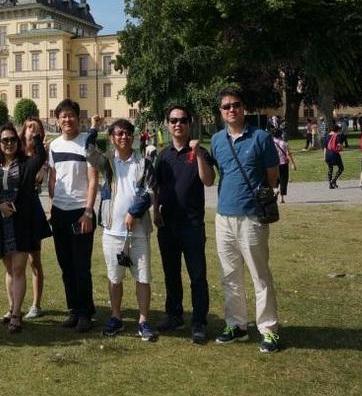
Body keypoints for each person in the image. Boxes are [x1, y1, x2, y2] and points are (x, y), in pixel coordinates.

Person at [209, 87, 282, 353]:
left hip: (252, 217)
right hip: (224, 216)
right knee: (230, 276)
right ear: (221, 111)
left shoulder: (261, 137)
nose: (231, 110)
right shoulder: (217, 140)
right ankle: (236, 324)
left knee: (259, 275)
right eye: (226, 106)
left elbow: (272, 175)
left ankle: (268, 328)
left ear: (244, 108)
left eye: (236, 105)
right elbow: (219, 174)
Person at [153, 106, 215, 344]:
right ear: (168, 125)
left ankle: (198, 322)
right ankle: (174, 314)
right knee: (171, 274)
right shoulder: (163, 155)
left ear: (189, 124)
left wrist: (198, 153)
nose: (178, 124)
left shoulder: (200, 152)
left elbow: (208, 181)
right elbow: (156, 186)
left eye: (182, 120)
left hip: (192, 225)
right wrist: (155, 210)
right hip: (167, 224)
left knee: (197, 276)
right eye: (173, 120)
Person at [98, 118, 158, 341]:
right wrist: (95, 129)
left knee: (142, 277)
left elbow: (150, 192)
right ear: (112, 137)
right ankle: (116, 317)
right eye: (119, 134)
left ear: (132, 137)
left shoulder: (143, 163)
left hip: (138, 231)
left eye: (127, 133)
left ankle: (143, 321)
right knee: (115, 277)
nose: (123, 137)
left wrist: (134, 212)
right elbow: (88, 152)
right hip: (112, 231)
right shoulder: (107, 163)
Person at [0, 122, 46, 334]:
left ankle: (17, 314)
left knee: (19, 268)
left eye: (12, 140)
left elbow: (41, 157)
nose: (9, 143)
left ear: (17, 142)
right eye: (5, 140)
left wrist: (36, 136)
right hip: (2, 222)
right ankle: (11, 308)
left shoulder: (26, 163)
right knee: (9, 269)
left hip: (21, 221)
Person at [48, 99, 98, 332]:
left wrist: (88, 211)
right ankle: (73, 310)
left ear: (78, 118)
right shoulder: (55, 146)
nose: (67, 119)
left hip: (80, 212)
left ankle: (86, 313)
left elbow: (93, 180)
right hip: (60, 212)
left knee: (81, 265)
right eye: (63, 116)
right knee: (66, 265)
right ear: (58, 121)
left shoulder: (87, 143)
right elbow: (53, 177)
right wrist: (52, 203)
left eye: (71, 115)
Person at [19, 117, 52, 319]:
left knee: (34, 260)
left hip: (32, 210)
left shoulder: (43, 157)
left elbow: (40, 180)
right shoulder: (15, 152)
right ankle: (15, 304)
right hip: (15, 211)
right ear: (23, 131)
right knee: (15, 261)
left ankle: (36, 304)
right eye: (29, 127)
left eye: (36, 129)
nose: (32, 131)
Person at [271, 128, 298, 203]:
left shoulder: (270, 143)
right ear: (281, 134)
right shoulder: (284, 143)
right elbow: (288, 154)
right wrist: (293, 164)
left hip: (273, 164)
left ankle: (275, 190)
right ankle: (282, 198)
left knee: (274, 179)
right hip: (283, 164)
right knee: (283, 180)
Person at [325, 124, 344, 189]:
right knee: (341, 168)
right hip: (334, 154)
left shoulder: (327, 136)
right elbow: (339, 145)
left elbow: (325, 147)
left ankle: (330, 184)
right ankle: (334, 180)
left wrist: (324, 157)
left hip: (327, 154)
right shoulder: (337, 135)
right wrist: (341, 148)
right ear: (337, 129)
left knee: (330, 168)